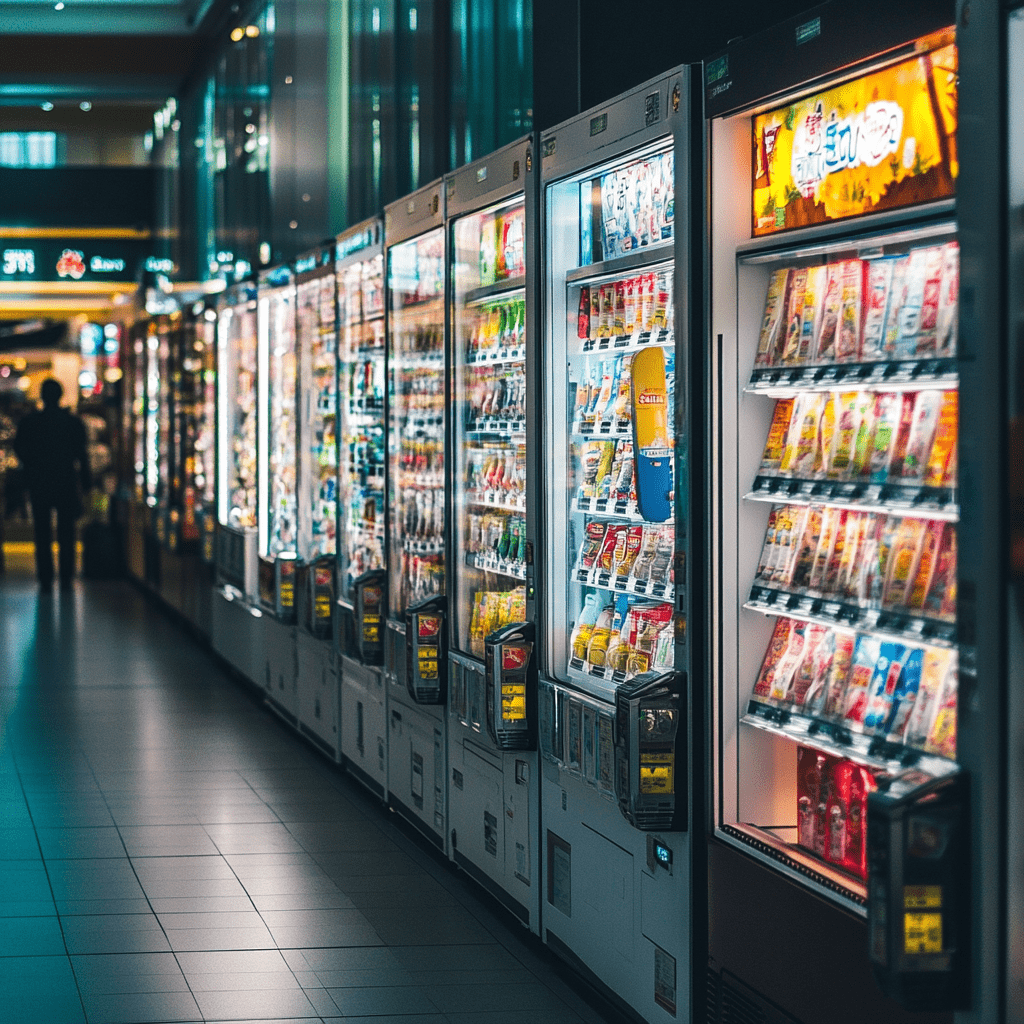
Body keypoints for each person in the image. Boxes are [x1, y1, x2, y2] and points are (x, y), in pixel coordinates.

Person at [13, 378, 92, 591]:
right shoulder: (72, 423)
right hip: (65, 480)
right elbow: (82, 454)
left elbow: (20, 449)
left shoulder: (30, 422)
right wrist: (86, 482)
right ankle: (66, 577)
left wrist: (32, 466)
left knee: (42, 531)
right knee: (67, 531)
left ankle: (45, 578)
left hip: (39, 482)